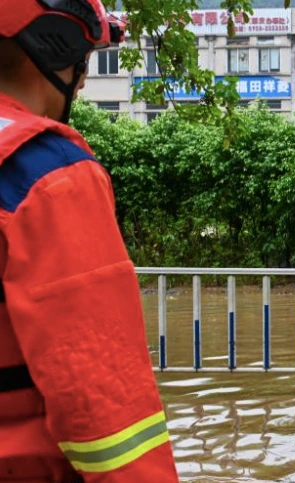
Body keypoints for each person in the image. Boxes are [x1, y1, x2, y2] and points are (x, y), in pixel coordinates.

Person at [0, 1, 179, 481]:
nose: (81, 83)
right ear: (51, 49)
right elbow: (104, 402)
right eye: (84, 62)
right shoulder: (48, 174)